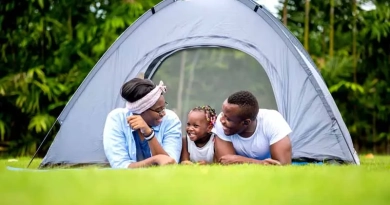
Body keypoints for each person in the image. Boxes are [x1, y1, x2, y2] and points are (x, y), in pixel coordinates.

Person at [103, 78, 182, 168]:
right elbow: (120, 166)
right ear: (140, 111)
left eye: (164, 107)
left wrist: (149, 134)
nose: (163, 113)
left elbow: (170, 164)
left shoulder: (171, 120)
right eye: (158, 110)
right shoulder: (117, 119)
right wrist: (155, 159)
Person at [212, 91, 292, 165]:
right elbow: (226, 162)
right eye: (223, 114)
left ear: (246, 122)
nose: (221, 120)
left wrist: (242, 160)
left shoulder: (273, 121)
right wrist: (263, 164)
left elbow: (282, 167)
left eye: (228, 119)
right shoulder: (222, 124)